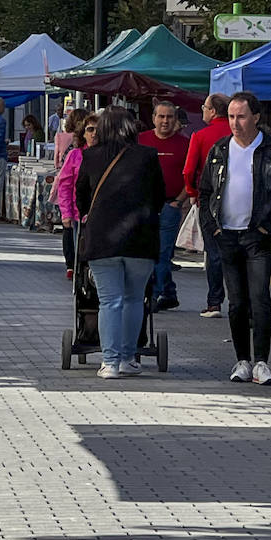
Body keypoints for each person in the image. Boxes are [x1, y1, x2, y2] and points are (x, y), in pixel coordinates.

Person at [197, 91, 271, 386]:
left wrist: (268, 227)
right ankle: (242, 360)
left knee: (260, 299)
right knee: (236, 302)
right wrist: (212, 228)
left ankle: (262, 362)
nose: (235, 123)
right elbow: (205, 192)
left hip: (257, 237)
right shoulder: (219, 150)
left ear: (255, 117)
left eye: (241, 117)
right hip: (226, 235)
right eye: (231, 117)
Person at [75, 107, 165, 378]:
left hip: (103, 239)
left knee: (109, 301)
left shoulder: (90, 156)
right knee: (135, 299)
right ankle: (128, 357)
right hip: (141, 238)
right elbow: (159, 194)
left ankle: (110, 362)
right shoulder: (147, 155)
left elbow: (81, 197)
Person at [138, 100, 191, 311]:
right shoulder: (141, 141)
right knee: (147, 252)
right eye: (161, 116)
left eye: (170, 117)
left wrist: (179, 201)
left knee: (163, 252)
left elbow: (192, 176)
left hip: (171, 204)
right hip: (145, 206)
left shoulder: (184, 144)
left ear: (176, 120)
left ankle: (156, 295)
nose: (165, 121)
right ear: (153, 119)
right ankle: (169, 292)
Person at [183, 93, 232, 318]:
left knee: (213, 251)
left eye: (204, 107)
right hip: (237, 199)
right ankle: (239, 300)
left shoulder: (200, 136)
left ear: (212, 111)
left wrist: (193, 193)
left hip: (209, 198)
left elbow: (189, 170)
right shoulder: (237, 134)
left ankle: (214, 302)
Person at [55, 116, 96, 280]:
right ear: (83, 133)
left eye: (98, 130)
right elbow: (64, 185)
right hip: (78, 213)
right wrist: (66, 213)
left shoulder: (108, 155)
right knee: (80, 250)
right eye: (90, 129)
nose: (94, 134)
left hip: (101, 214)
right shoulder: (75, 155)